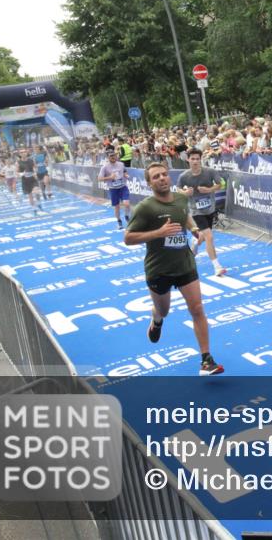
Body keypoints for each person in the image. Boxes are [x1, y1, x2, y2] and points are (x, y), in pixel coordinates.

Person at [124, 163, 224, 375]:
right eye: (156, 176)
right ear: (149, 183)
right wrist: (158, 233)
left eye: (164, 174)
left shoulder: (181, 198)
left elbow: (184, 215)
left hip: (185, 264)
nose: (162, 178)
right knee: (164, 310)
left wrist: (194, 228)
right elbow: (128, 238)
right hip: (159, 269)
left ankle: (206, 360)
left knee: (197, 309)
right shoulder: (145, 208)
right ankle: (156, 318)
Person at [178, 148, 227, 276]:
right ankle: (217, 266)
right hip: (195, 211)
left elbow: (221, 184)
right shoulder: (184, 176)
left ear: (201, 159)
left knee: (204, 237)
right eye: (192, 159)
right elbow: (177, 190)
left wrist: (209, 190)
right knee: (209, 236)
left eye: (197, 159)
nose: (195, 161)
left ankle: (195, 243)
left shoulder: (210, 172)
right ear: (188, 159)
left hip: (210, 209)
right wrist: (186, 193)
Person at [98, 147, 131, 228]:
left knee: (126, 204)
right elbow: (99, 179)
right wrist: (110, 177)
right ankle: (119, 221)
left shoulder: (121, 164)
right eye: (111, 156)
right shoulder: (104, 167)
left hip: (123, 187)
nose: (113, 157)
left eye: (114, 155)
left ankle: (127, 216)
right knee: (117, 207)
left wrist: (126, 175)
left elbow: (124, 171)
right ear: (108, 157)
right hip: (113, 189)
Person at [17, 148, 43, 213]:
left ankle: (39, 202)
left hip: (33, 179)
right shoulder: (18, 163)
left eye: (24, 152)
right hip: (25, 181)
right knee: (30, 195)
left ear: (26, 153)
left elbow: (35, 168)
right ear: (20, 154)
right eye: (22, 152)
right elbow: (17, 173)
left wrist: (35, 172)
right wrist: (22, 174)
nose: (23, 153)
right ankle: (34, 208)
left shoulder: (31, 160)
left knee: (36, 192)